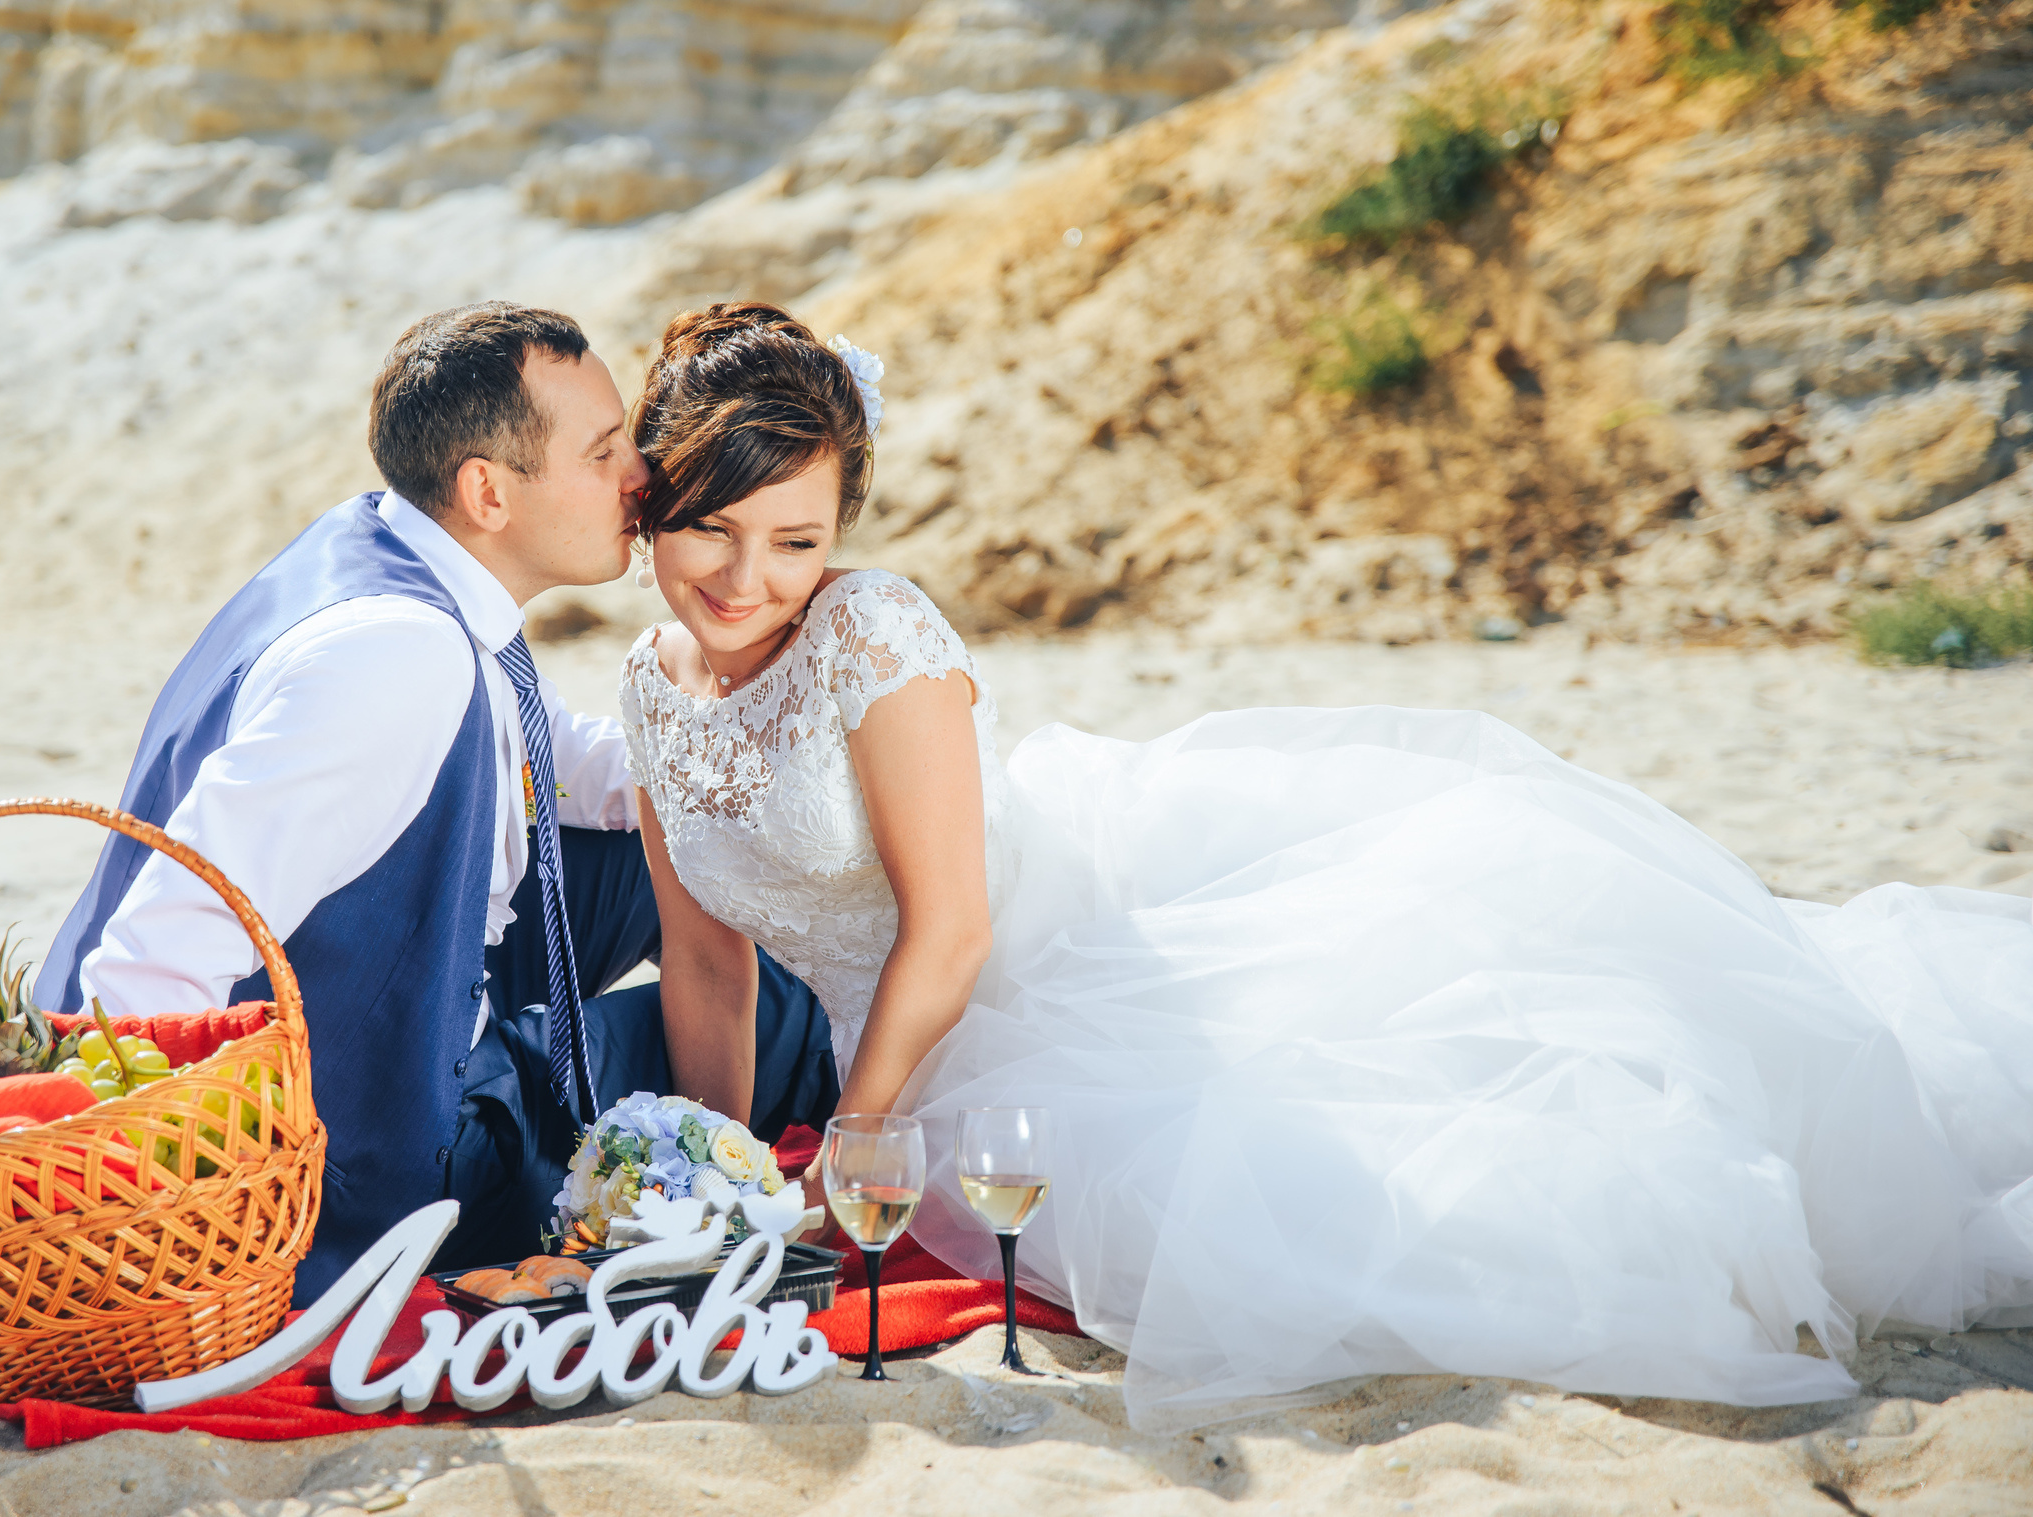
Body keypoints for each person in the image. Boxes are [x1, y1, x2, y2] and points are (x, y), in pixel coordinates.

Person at [617, 300, 2033, 1430]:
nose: (749, 579)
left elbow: (954, 928)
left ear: (844, 529)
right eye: (709, 530)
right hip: (905, 1038)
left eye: (797, 538)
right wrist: (717, 1171)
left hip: (1031, 978)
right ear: (648, 508)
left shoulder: (874, 634)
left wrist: (860, 1138)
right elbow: (708, 958)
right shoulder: (649, 684)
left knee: (1343, 1218)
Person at [35, 301, 837, 1294]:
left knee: (681, 852)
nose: (642, 474)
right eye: (601, 452)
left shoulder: (396, 555)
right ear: (487, 491)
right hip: (375, 1138)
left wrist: (748, 760)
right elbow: (162, 947)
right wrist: (133, 1215)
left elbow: (530, 757)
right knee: (786, 1009)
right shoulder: (396, 660)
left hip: (420, 967)